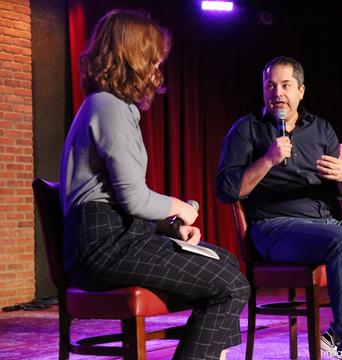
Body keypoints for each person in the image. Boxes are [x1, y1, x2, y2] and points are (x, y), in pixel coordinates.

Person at [59, 10, 249, 360]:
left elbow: (119, 201)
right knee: (230, 284)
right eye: (153, 58)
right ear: (134, 56)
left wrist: (169, 227)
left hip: (117, 236)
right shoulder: (107, 106)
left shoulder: (112, 106)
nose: (157, 68)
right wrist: (183, 209)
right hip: (103, 245)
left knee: (223, 262)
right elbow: (132, 198)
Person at [216, 56, 342, 360]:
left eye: (285, 85)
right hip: (273, 228)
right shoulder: (247, 130)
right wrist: (267, 160)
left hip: (326, 226)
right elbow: (226, 191)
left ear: (300, 90)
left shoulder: (321, 129)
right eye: (270, 85)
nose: (277, 93)